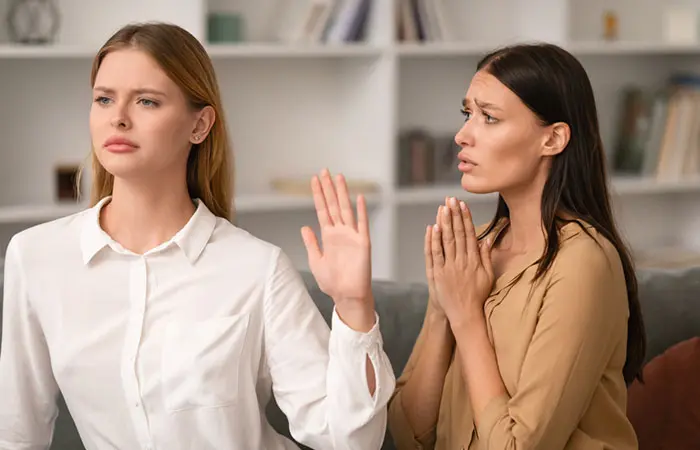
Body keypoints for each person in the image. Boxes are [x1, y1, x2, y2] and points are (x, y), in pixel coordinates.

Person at [0, 22, 395, 450]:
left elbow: (348, 441)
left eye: (147, 101)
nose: (118, 117)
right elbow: (18, 429)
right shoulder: (35, 257)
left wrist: (355, 306)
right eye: (104, 99)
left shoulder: (258, 269)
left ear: (200, 125)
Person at [387, 43, 647, 449]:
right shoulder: (476, 247)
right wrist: (443, 309)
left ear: (554, 139)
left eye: (489, 118)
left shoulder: (584, 264)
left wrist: (467, 317)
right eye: (467, 113)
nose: (463, 135)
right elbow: (407, 436)